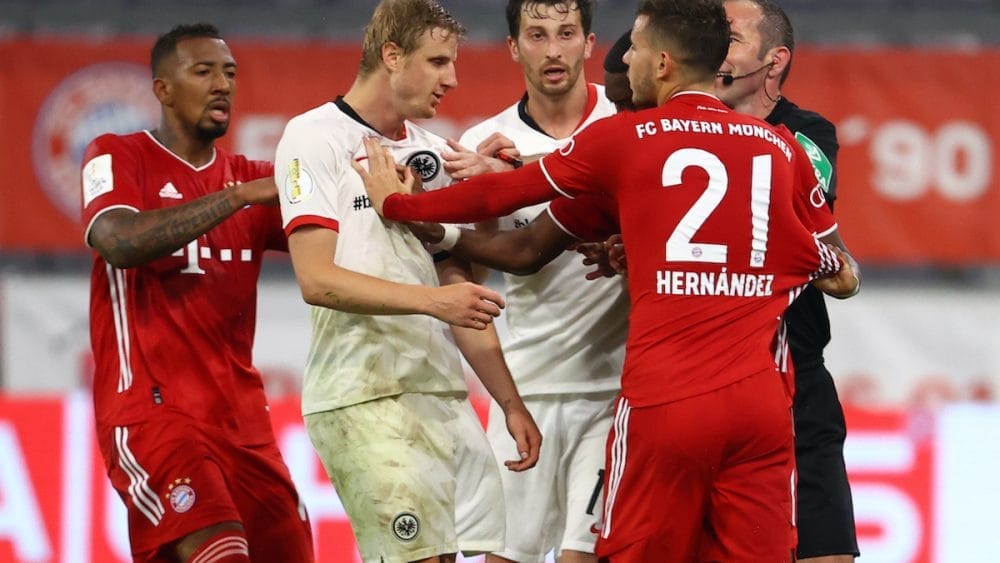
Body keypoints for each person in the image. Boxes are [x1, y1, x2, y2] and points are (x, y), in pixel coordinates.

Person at [354, 0, 860, 559]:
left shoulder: (627, 138)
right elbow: (838, 270)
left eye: (637, 51)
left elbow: (503, 194)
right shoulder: (781, 147)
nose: (629, 61)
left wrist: (399, 203)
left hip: (665, 401)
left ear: (662, 63)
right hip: (761, 405)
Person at [272, 1, 542, 562]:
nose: (453, 78)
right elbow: (317, 280)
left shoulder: (431, 155)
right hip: (361, 394)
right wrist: (435, 301)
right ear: (391, 57)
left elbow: (463, 294)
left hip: (440, 395)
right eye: (438, 60)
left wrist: (510, 403)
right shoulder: (313, 137)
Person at [81, 23, 313, 562]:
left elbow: (339, 229)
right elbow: (117, 241)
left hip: (243, 425)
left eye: (229, 73)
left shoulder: (249, 177)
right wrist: (233, 202)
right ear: (162, 89)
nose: (222, 85)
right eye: (203, 71)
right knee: (221, 549)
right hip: (151, 413)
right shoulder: (117, 155)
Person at [430, 2, 626, 562]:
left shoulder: (623, 122)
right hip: (527, 388)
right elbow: (483, 277)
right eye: (537, 35)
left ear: (589, 44)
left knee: (583, 557)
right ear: (514, 47)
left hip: (613, 392)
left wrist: (518, 177)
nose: (553, 50)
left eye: (566, 34)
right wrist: (488, 206)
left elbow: (607, 167)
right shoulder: (485, 139)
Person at [716, 1, 860, 560]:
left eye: (728, 37)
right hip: (705, 377)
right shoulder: (679, 125)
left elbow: (815, 239)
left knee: (825, 548)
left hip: (796, 375)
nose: (712, 48)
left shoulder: (805, 134)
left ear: (774, 60)